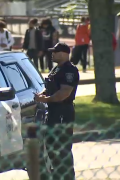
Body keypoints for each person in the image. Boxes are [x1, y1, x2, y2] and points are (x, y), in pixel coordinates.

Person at [34, 42, 78, 180]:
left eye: (55, 52)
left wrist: (46, 100)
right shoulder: (56, 69)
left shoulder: (69, 70)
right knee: (51, 143)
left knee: (62, 146)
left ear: (64, 53)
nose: (52, 54)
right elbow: (50, 87)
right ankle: (58, 174)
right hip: (53, 111)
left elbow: (64, 93)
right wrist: (41, 95)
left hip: (63, 112)